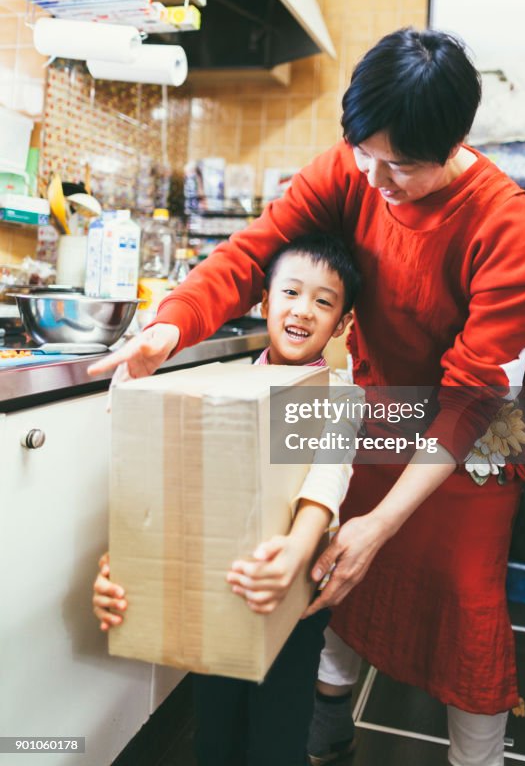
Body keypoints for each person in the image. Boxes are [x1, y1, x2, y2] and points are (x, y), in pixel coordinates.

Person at [90, 28, 525, 766]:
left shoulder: (507, 226)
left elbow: (471, 397)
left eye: (399, 167)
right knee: (339, 577)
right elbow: (252, 253)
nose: (375, 181)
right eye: (365, 156)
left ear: (455, 143)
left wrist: (381, 525)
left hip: (472, 432)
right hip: (379, 405)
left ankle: (478, 756)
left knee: (465, 600)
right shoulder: (355, 168)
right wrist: (168, 328)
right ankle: (327, 728)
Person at [92, 233, 362, 766]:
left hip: (296, 606)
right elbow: (172, 487)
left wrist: (297, 547)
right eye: (290, 293)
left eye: (324, 301)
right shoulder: (221, 388)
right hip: (218, 592)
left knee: (277, 746)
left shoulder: (340, 394)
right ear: (264, 302)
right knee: (214, 741)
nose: (303, 311)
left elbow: (326, 482)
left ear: (345, 323)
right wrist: (124, 561)